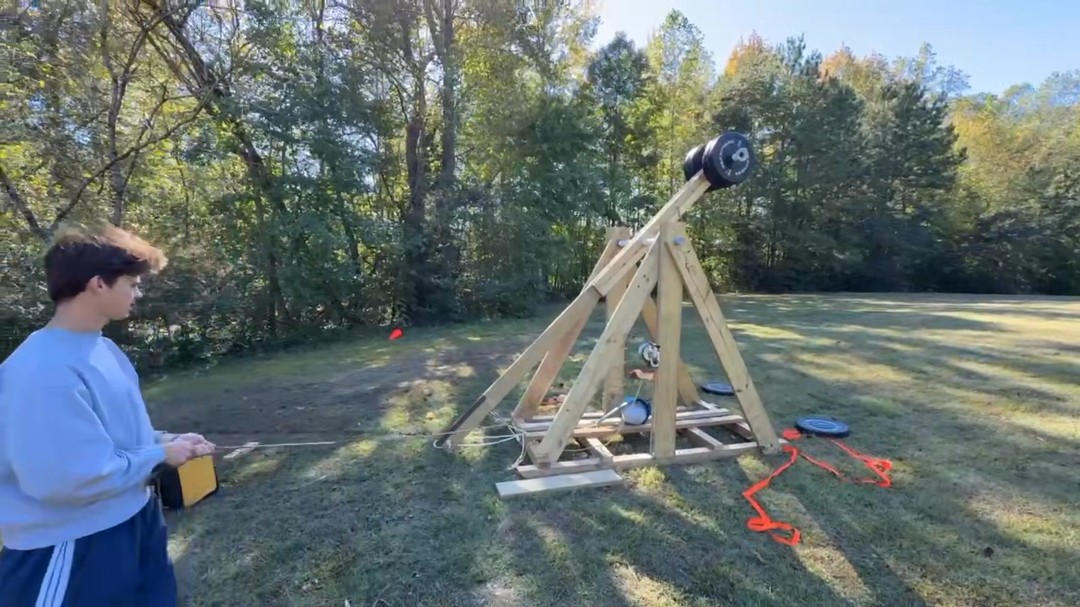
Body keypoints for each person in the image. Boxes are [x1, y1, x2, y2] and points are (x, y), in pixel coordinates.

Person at [0, 222, 214, 606]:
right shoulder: (40, 370)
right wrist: (158, 456)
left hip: (136, 520)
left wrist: (163, 441)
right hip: (73, 544)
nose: (138, 292)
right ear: (98, 283)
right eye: (132, 283)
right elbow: (65, 480)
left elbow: (113, 438)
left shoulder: (104, 350)